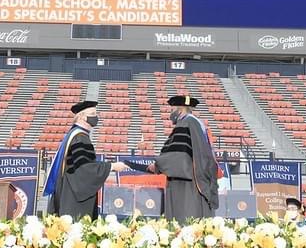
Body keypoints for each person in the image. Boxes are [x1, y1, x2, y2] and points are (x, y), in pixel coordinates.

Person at [133, 95, 219, 223]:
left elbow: (179, 154)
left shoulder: (186, 122)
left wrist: (158, 165)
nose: (171, 113)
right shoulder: (198, 123)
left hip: (186, 183)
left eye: (172, 110)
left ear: (180, 110)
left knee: (185, 218)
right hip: (198, 177)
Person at [43, 101, 127, 218]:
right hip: (74, 196)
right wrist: (112, 166)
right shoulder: (80, 138)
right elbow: (84, 168)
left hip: (68, 189)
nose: (95, 117)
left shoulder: (74, 135)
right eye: (92, 113)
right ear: (82, 117)